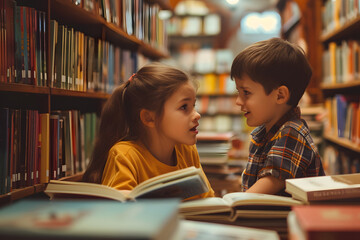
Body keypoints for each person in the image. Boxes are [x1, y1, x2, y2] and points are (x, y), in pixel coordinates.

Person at [82, 63, 214, 199]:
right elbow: (120, 210)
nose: (197, 115)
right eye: (184, 107)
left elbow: (208, 201)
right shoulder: (125, 156)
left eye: (194, 105)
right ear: (149, 118)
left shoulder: (187, 151)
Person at [231, 38, 325, 196]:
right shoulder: (263, 133)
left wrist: (230, 204)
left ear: (280, 95)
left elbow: (269, 183)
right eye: (238, 92)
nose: (238, 101)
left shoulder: (292, 132)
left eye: (246, 92)